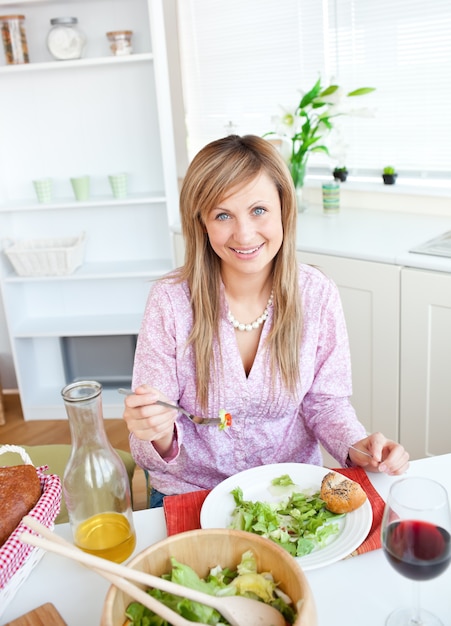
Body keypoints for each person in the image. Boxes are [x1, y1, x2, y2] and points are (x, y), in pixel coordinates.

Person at [123, 134, 409, 508]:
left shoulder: (316, 294)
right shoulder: (170, 301)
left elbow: (325, 404)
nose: (244, 234)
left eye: (258, 210)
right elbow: (149, 448)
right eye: (222, 215)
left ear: (283, 209)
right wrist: (156, 433)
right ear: (202, 224)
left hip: (291, 490)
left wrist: (359, 448)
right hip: (192, 493)